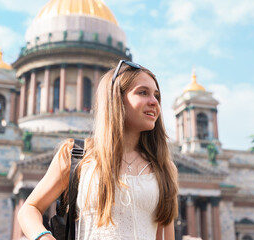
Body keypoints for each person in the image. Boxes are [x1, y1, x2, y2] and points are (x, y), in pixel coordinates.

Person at [18, 60, 179, 240]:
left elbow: (165, 235)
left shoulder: (164, 167)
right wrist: (44, 237)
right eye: (143, 92)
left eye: (156, 96)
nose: (154, 102)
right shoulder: (75, 155)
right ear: (116, 98)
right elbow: (29, 208)